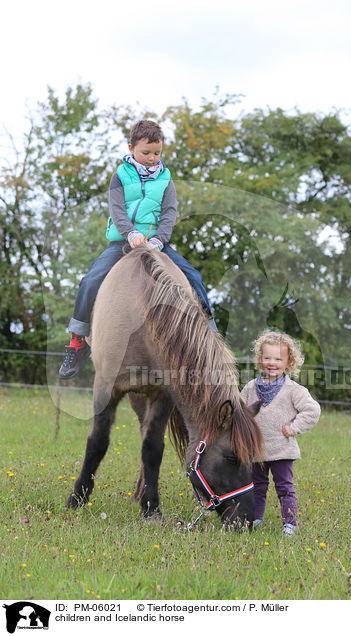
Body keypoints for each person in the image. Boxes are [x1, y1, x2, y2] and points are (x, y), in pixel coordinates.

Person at [59, 119, 216, 379]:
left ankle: (210, 334)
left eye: (157, 153)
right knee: (90, 281)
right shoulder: (119, 176)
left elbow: (169, 213)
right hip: (123, 241)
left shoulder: (165, 179)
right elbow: (117, 209)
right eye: (146, 152)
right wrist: (130, 233)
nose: (152, 158)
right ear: (131, 148)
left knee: (194, 277)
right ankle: (76, 340)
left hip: (157, 243)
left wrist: (158, 240)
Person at [241, 329, 320, 535]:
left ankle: (289, 524)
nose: (272, 363)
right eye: (267, 357)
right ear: (260, 359)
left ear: (289, 362)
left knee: (284, 487)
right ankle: (255, 519)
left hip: (282, 450)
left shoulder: (294, 390)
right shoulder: (250, 388)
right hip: (256, 450)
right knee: (256, 486)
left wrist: (294, 428)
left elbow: (313, 410)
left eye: (278, 358)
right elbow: (240, 411)